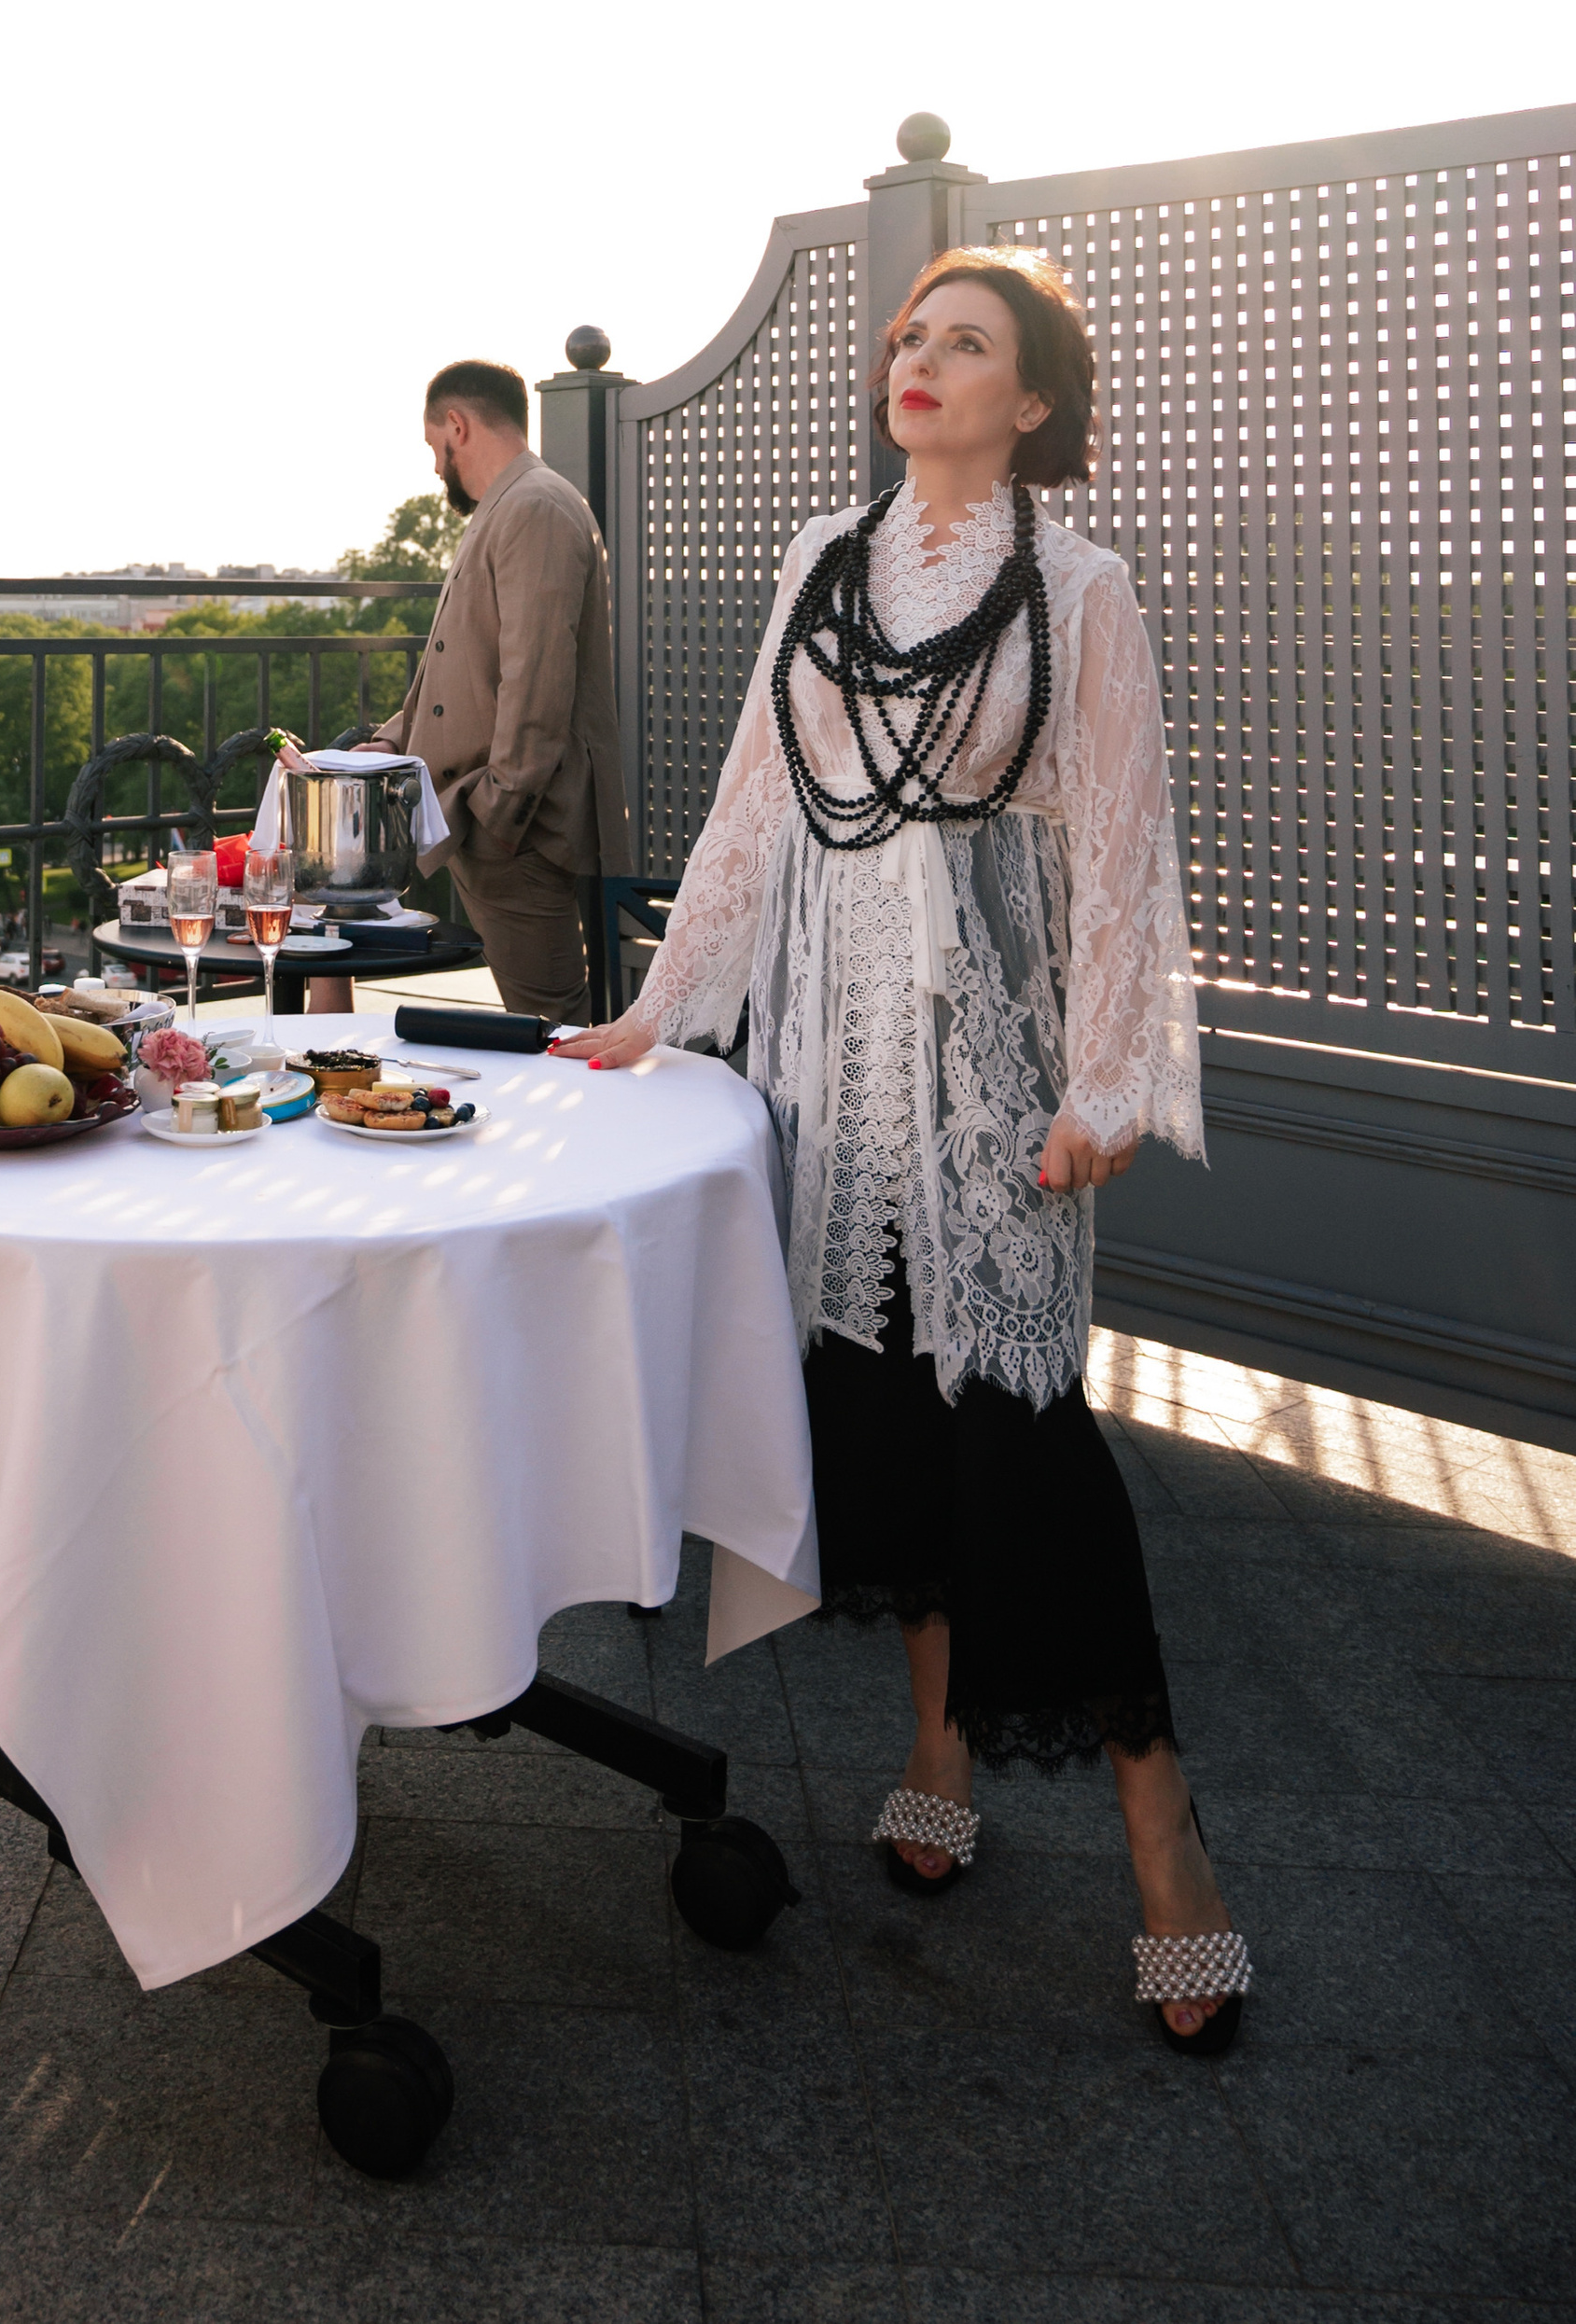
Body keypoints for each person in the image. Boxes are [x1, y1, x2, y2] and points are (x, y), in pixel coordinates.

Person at [555, 250, 1253, 2053]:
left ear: (1031, 402)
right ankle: (936, 1738)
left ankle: (1163, 1832)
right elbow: (749, 811)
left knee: (1023, 1447)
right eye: (906, 337)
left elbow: (1119, 850)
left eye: (965, 343)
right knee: (875, 1408)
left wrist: (1101, 1084)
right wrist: (657, 1013)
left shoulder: (1078, 588)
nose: (916, 360)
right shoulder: (817, 560)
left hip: (994, 1072)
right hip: (828, 1067)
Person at [361, 358, 631, 1025]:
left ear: (457, 425)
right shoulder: (510, 505)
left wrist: (496, 819)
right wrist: (391, 740)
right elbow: (462, 668)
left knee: (550, 1031)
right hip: (493, 820)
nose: (434, 467)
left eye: (433, 447)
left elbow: (535, 685)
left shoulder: (534, 507)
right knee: (537, 1027)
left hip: (519, 832)